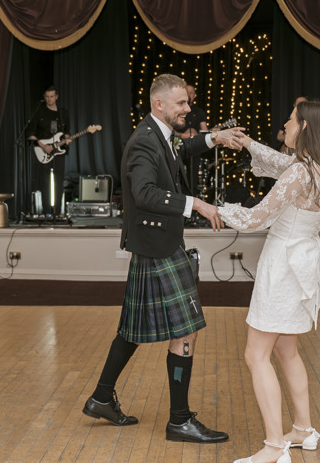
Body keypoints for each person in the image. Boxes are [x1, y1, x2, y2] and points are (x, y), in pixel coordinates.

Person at [81, 74, 242, 443]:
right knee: (186, 329)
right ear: (160, 105)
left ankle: (102, 398)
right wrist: (195, 203)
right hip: (158, 246)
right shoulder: (143, 143)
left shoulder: (159, 136)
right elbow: (144, 193)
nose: (188, 108)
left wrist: (214, 137)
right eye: (182, 103)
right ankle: (179, 421)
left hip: (155, 244)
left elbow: (180, 152)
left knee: (132, 329)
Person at [218, 101, 320, 463]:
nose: (285, 124)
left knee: (255, 354)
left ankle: (274, 447)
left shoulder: (300, 174)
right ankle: (303, 430)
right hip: (303, 265)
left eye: (291, 119)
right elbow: (279, 162)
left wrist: (214, 209)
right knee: (286, 352)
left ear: (305, 125)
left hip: (282, 268)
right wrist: (246, 142)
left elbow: (255, 218)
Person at [24, 85, 70, 215]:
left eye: (52, 97)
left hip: (59, 151)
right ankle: (45, 212)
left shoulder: (63, 113)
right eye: (47, 97)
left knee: (59, 181)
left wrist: (67, 138)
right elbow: (30, 132)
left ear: (56, 97)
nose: (49, 99)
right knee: (44, 181)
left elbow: (67, 132)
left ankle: (57, 212)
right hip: (43, 151)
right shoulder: (39, 112)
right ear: (44, 97)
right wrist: (43, 146)